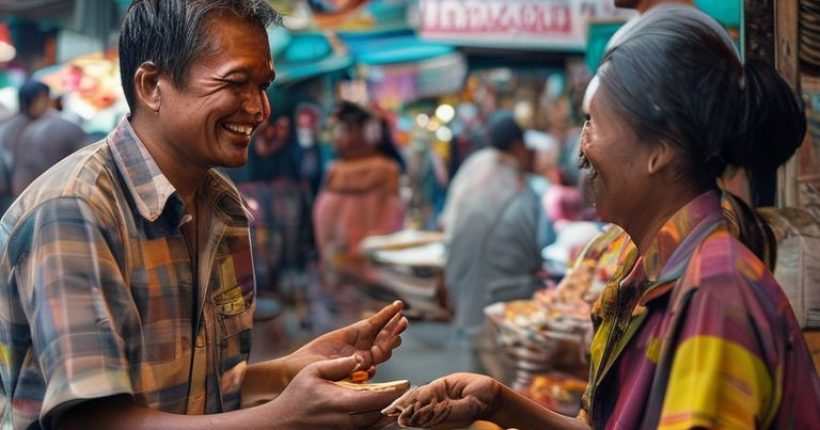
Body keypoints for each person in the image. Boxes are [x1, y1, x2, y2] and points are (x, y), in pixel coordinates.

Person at [383, 6, 820, 429]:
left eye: (593, 122)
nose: (581, 148)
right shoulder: (646, 272)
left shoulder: (714, 291)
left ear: (660, 149)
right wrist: (497, 403)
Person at [0, 2, 408, 429]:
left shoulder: (221, 205)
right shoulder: (75, 211)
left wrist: (290, 372)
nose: (259, 109)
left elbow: (199, 393)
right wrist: (285, 417)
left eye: (263, 86)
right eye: (236, 83)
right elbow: (96, 422)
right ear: (152, 86)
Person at [441, 113, 542, 334]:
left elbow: (446, 221)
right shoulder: (518, 184)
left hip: (460, 283)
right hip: (502, 295)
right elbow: (538, 245)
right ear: (517, 147)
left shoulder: (474, 165)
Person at [313, 101, 405, 275]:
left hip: (360, 268)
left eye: (341, 129)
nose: (335, 137)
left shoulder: (384, 170)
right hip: (356, 266)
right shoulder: (335, 170)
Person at [11, 87, 89, 196]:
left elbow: (21, 178)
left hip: (34, 196)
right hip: (66, 194)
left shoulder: (27, 130)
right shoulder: (70, 126)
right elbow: (87, 165)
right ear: (43, 98)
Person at [0, 81, 50, 213]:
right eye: (42, 100)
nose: (46, 105)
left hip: (34, 194)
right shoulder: (13, 128)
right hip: (16, 197)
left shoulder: (40, 123)